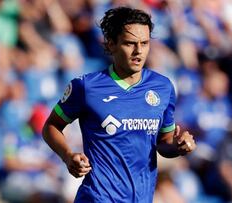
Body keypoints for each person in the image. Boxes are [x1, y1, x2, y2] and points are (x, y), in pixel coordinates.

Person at [42, 6, 196, 203]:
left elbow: (163, 143)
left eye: (145, 43)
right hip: (98, 198)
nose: (139, 51)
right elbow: (51, 126)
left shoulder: (163, 87)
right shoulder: (86, 87)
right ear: (111, 44)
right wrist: (67, 155)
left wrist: (179, 146)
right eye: (130, 43)